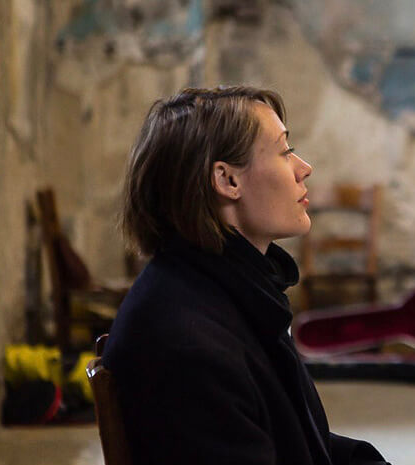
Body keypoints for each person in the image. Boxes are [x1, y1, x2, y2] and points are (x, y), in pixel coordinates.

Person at [102, 86, 390, 465]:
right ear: (227, 181)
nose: (304, 168)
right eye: (285, 151)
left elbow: (296, 439)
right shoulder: (187, 342)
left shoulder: (227, 289)